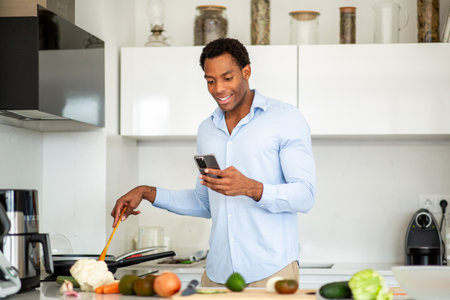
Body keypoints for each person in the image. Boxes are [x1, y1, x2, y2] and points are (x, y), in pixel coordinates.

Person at [111, 38, 316, 287]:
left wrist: (251, 188)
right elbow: (205, 203)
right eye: (210, 81)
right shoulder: (207, 130)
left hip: (271, 274)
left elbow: (305, 195)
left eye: (227, 78)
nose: (218, 88)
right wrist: (146, 192)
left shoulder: (285, 118)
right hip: (217, 276)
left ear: (246, 72)